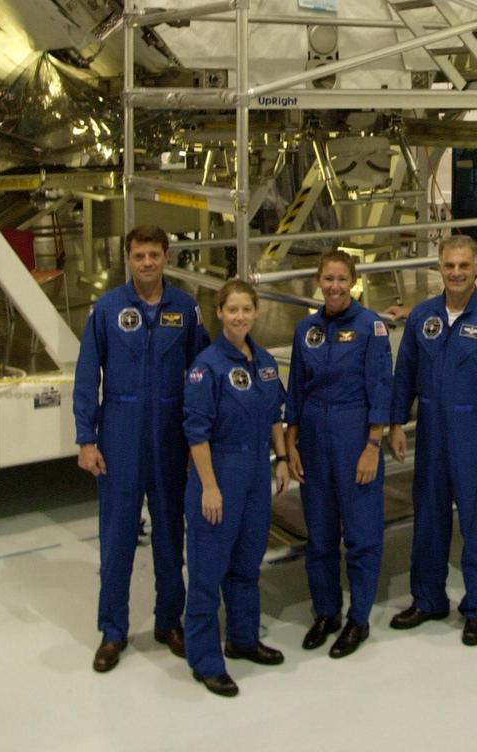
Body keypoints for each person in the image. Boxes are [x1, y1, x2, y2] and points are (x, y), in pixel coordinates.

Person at [73, 224, 209, 673]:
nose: (147, 263)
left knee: (172, 536)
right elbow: (86, 375)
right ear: (128, 258)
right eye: (139, 256)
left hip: (170, 438)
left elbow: (201, 374)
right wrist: (86, 439)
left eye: (154, 254)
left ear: (167, 256)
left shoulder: (186, 309)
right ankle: (113, 631)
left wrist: (198, 440)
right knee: (116, 539)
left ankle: (170, 621)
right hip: (120, 436)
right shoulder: (108, 310)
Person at [388, 235, 477, 646]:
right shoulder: (423, 318)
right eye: (449, 265)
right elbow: (406, 371)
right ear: (439, 266)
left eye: (464, 266)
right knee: (428, 521)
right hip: (431, 436)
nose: (456, 273)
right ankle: (428, 599)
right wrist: (397, 422)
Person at [183, 279, 289, 698]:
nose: (240, 317)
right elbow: (196, 434)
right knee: (208, 571)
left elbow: (275, 413)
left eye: (247, 309)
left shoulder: (264, 362)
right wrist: (209, 486)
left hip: (255, 476)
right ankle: (206, 659)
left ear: (256, 312)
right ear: (220, 313)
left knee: (247, 563)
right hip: (219, 473)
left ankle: (243, 638)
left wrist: (282, 458)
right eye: (233, 310)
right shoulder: (206, 367)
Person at [285, 249, 393, 658]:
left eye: (341, 279)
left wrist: (371, 446)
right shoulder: (306, 330)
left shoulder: (371, 328)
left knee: (362, 534)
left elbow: (382, 388)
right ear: (319, 281)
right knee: (321, 534)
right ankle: (326, 612)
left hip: (354, 434)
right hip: (313, 436)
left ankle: (358, 618)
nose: (334, 287)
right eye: (327, 279)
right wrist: (292, 442)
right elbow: (296, 388)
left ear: (353, 282)